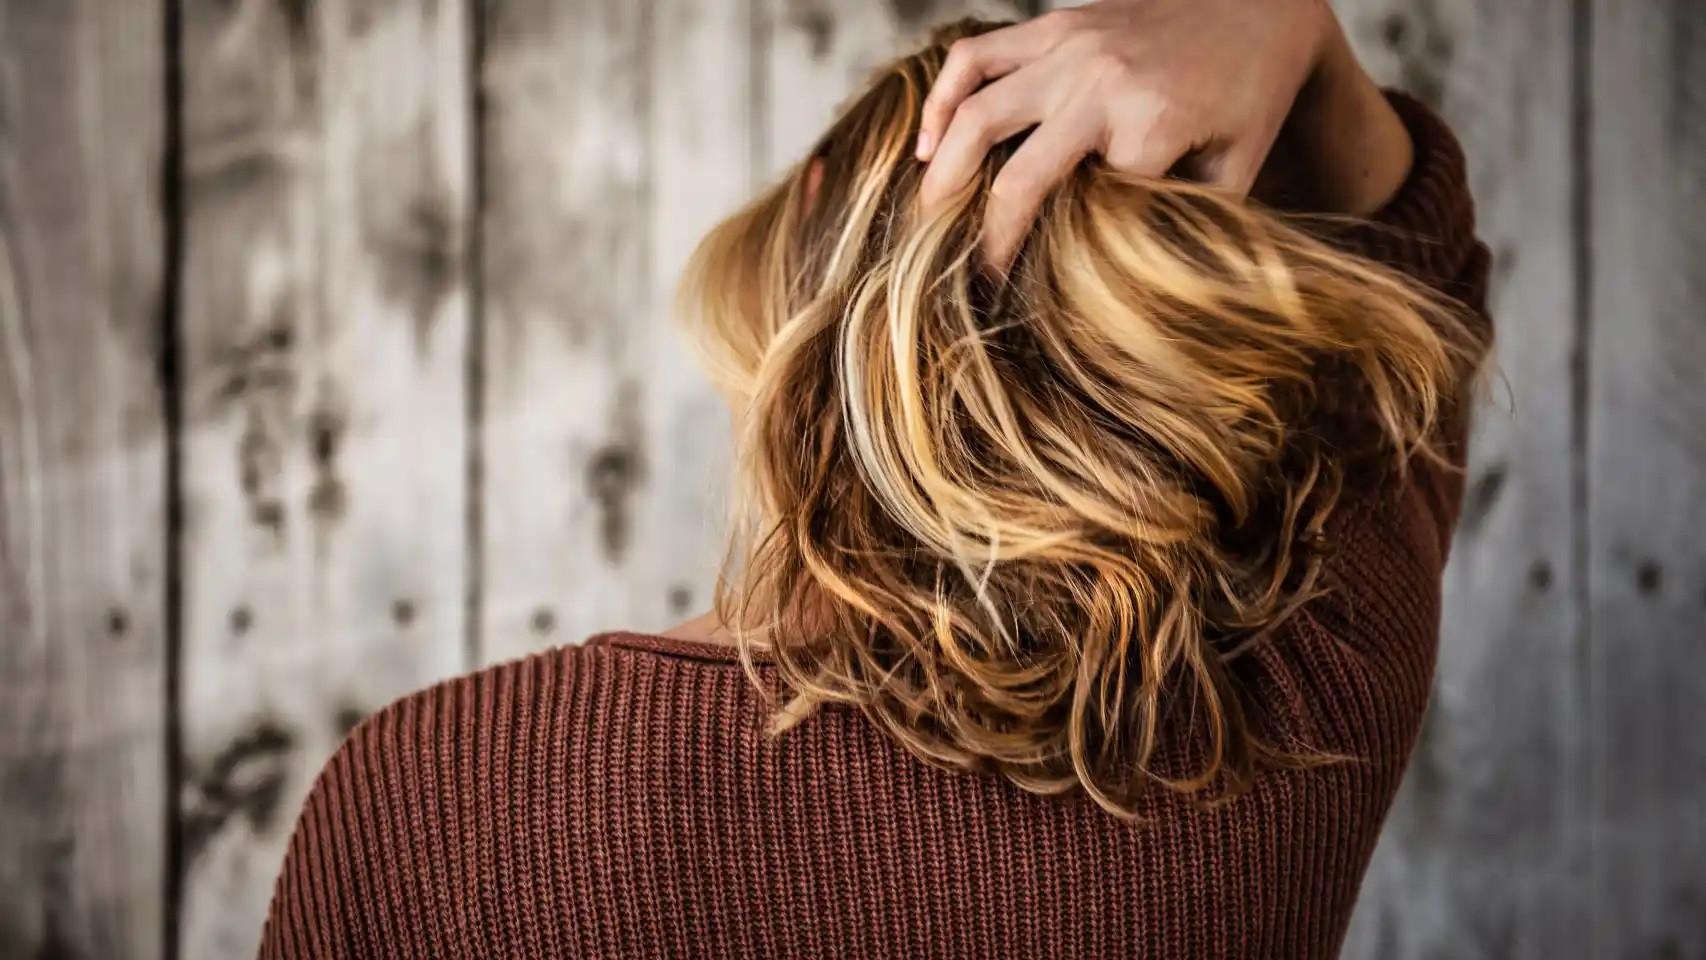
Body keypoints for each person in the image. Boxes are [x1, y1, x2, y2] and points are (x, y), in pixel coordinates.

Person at [259, 2, 1491, 957]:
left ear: (803, 255)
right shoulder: (1294, 704)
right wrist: (1283, 28)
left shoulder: (428, 801)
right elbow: (1415, 282)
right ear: (1167, 328)